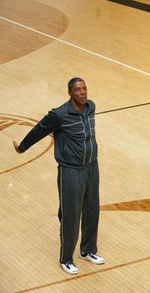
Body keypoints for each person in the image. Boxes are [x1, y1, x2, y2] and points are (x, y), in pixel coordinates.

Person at [13, 77, 104, 275]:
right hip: (70, 170)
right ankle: (66, 259)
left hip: (91, 167)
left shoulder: (91, 107)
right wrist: (22, 147)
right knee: (71, 214)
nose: (83, 92)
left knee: (92, 211)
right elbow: (39, 130)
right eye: (78, 89)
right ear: (70, 93)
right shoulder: (59, 114)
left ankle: (87, 250)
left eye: (84, 88)